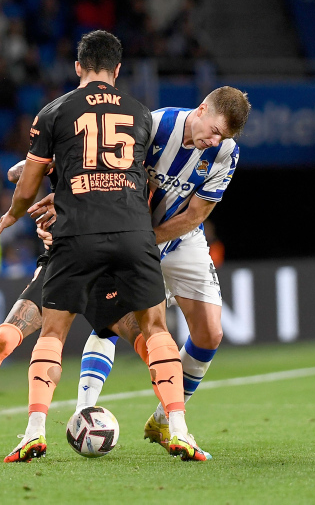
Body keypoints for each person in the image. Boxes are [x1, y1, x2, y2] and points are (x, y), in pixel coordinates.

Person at [0, 30, 205, 462]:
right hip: (133, 233)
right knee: (156, 330)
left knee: (53, 332)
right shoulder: (141, 114)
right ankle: (180, 428)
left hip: (77, 235)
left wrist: (15, 213)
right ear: (118, 69)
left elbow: (28, 186)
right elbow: (145, 181)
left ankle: (34, 430)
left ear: (77, 67)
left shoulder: (54, 112)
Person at [69, 86, 250, 448]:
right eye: (214, 130)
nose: (215, 140)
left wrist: (146, 241)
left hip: (180, 238)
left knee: (210, 334)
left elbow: (196, 214)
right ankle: (83, 413)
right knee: (112, 320)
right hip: (127, 235)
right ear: (201, 109)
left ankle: (162, 419)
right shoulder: (152, 126)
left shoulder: (226, 154)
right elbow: (99, 164)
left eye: (223, 137)